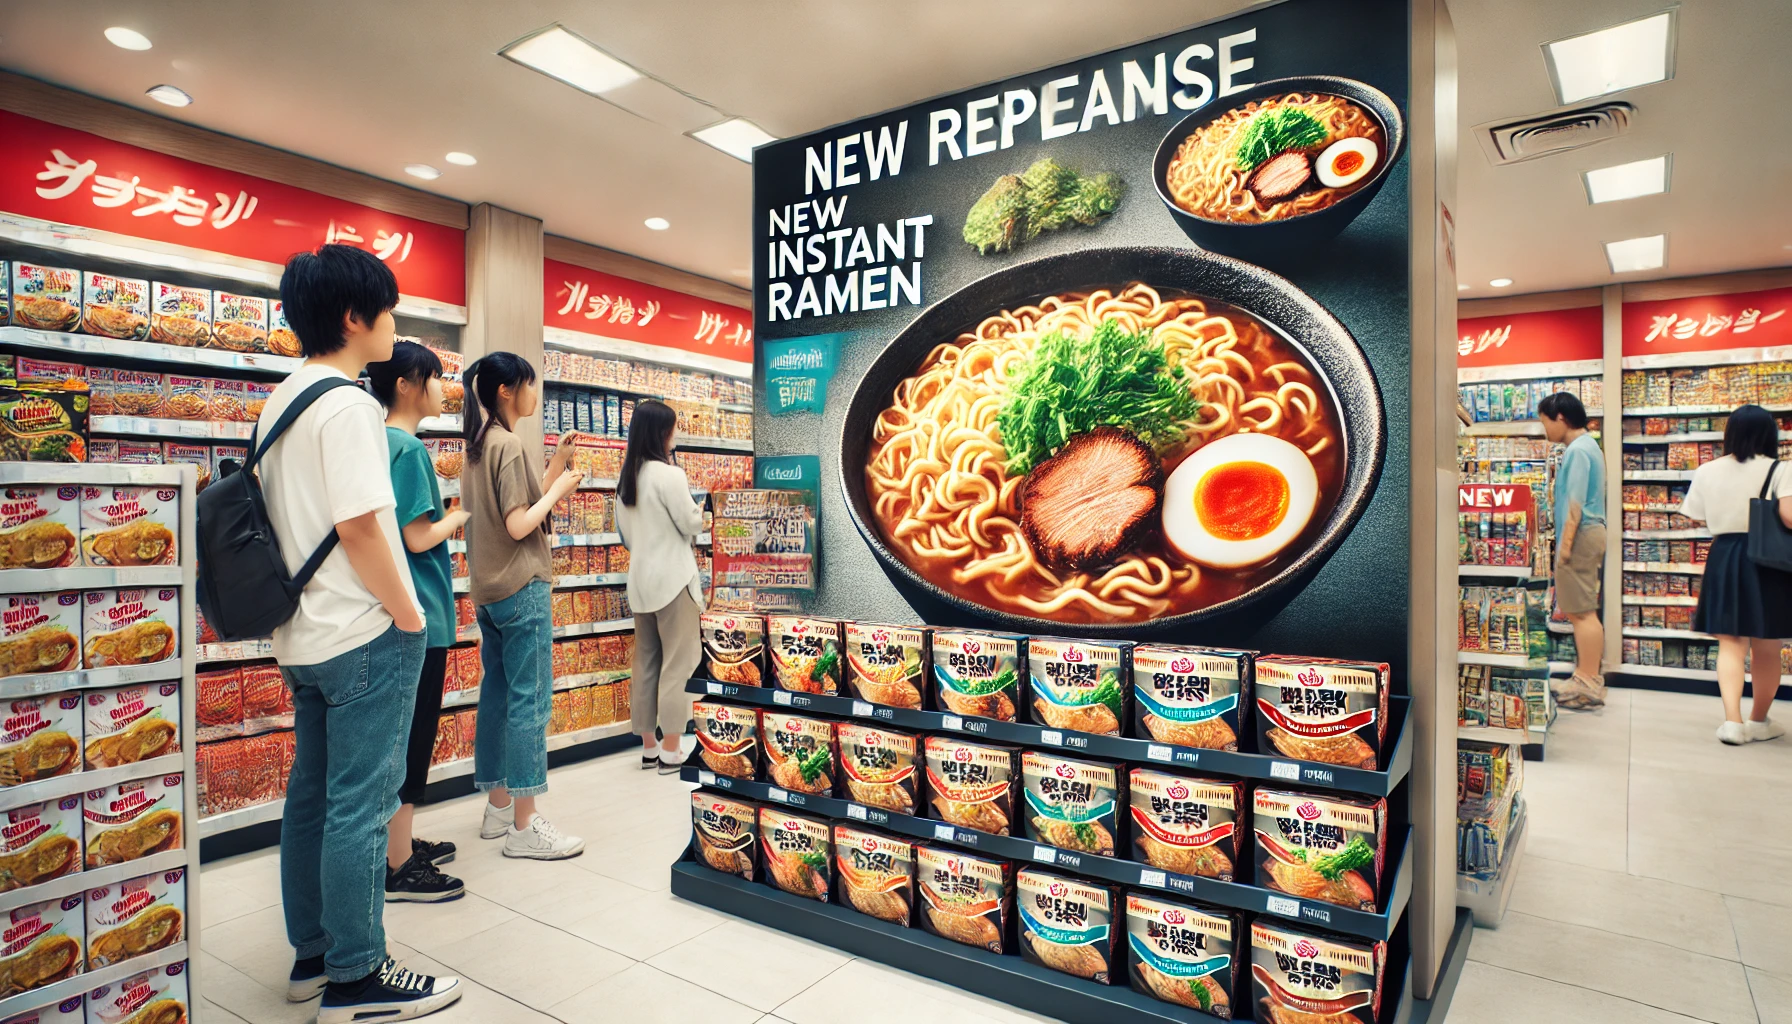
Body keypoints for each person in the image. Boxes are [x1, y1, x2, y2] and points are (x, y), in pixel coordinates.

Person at [261, 245, 461, 1022]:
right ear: (354, 317)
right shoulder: (347, 406)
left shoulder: (282, 400)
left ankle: (312, 956)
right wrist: (408, 614)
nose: (394, 322)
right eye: (388, 308)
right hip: (360, 633)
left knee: (309, 799)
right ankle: (356, 976)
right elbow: (361, 528)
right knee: (359, 805)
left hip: (303, 637)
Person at [461, 351, 586, 858]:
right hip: (521, 587)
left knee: (496, 699)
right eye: (529, 385)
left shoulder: (478, 444)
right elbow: (518, 524)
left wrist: (554, 462)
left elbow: (502, 507)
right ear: (507, 390)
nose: (536, 393)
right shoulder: (508, 444)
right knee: (529, 703)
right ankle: (525, 825)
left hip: (488, 593)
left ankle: (495, 808)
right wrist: (558, 488)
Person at [366, 341, 471, 901]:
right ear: (407, 382)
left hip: (391, 611)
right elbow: (416, 535)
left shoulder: (374, 440)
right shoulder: (407, 448)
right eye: (434, 378)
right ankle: (400, 864)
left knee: (400, 735)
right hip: (419, 611)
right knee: (415, 737)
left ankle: (398, 844)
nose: (441, 388)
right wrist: (457, 515)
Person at [1679, 404, 1791, 745]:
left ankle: (1732, 722)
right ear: (1769, 435)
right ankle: (1759, 720)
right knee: (1767, 645)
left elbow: (1693, 515)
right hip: (1768, 560)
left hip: (1725, 555)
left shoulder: (1708, 469)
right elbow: (1788, 516)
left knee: (1731, 643)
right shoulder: (1780, 469)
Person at [614, 400, 705, 773]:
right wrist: (702, 513)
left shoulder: (626, 481)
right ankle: (672, 748)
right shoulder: (670, 476)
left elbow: (625, 536)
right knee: (679, 664)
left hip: (640, 583)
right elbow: (691, 524)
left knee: (647, 661)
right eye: (672, 428)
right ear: (660, 432)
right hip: (674, 580)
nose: (676, 434)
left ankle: (649, 747)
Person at [1539, 391, 1607, 710]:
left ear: (1561, 418)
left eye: (1545, 422)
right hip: (1587, 534)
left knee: (1582, 612)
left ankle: (1589, 681)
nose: (1545, 430)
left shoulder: (1579, 450)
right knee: (1583, 609)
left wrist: (1564, 549)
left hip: (1580, 536)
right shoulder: (1586, 446)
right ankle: (1584, 676)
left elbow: (1575, 504)